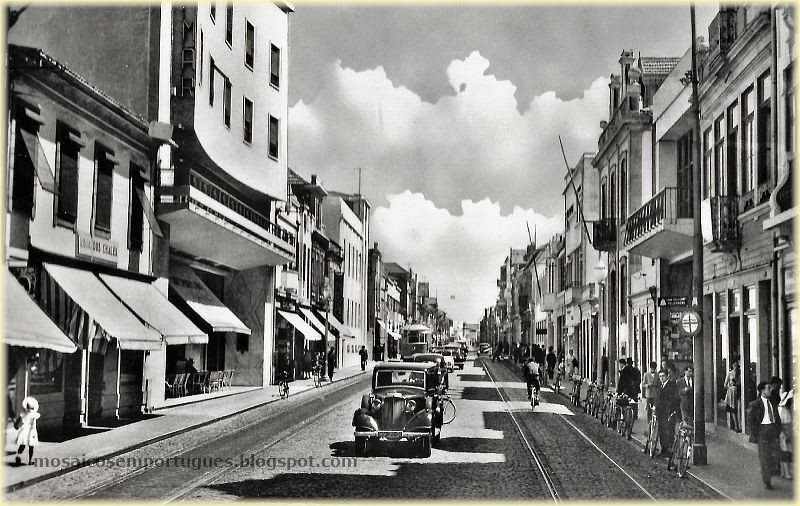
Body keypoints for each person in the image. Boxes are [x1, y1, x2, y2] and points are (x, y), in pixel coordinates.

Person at [747, 381, 782, 490]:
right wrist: (757, 433)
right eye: (768, 388)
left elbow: (777, 417)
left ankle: (770, 471)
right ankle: (767, 481)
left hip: (773, 429)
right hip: (763, 430)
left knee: (776, 454)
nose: (770, 390)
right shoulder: (755, 404)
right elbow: (750, 421)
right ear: (762, 390)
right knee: (764, 457)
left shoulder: (773, 402)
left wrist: (778, 429)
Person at [655, 369, 680, 458]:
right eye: (660, 376)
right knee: (662, 431)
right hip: (661, 413)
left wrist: (670, 412)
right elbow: (658, 399)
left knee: (668, 432)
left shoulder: (671, 386)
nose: (661, 378)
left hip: (668, 413)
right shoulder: (660, 386)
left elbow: (674, 399)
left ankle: (668, 451)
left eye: (663, 376)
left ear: (667, 376)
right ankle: (664, 450)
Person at [14, 396, 40, 465]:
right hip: (31, 431)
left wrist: (16, 426)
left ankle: (18, 456)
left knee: (22, 445)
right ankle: (30, 460)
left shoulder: (23, 414)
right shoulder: (34, 415)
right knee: (31, 446)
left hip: (23, 430)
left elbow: (17, 423)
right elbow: (33, 424)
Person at [777, 383, 793, 480]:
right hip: (784, 434)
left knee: (784, 453)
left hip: (785, 433)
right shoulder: (782, 410)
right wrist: (786, 435)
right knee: (785, 454)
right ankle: (786, 472)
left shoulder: (783, 409)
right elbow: (781, 424)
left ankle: (784, 472)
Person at [723, 358, 742, 432]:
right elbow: (725, 384)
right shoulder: (730, 373)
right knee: (733, 409)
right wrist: (730, 389)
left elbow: (740, 382)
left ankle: (739, 425)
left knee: (738, 408)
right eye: (734, 365)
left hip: (739, 391)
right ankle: (736, 426)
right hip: (732, 391)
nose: (735, 366)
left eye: (737, 365)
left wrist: (737, 383)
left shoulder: (740, 373)